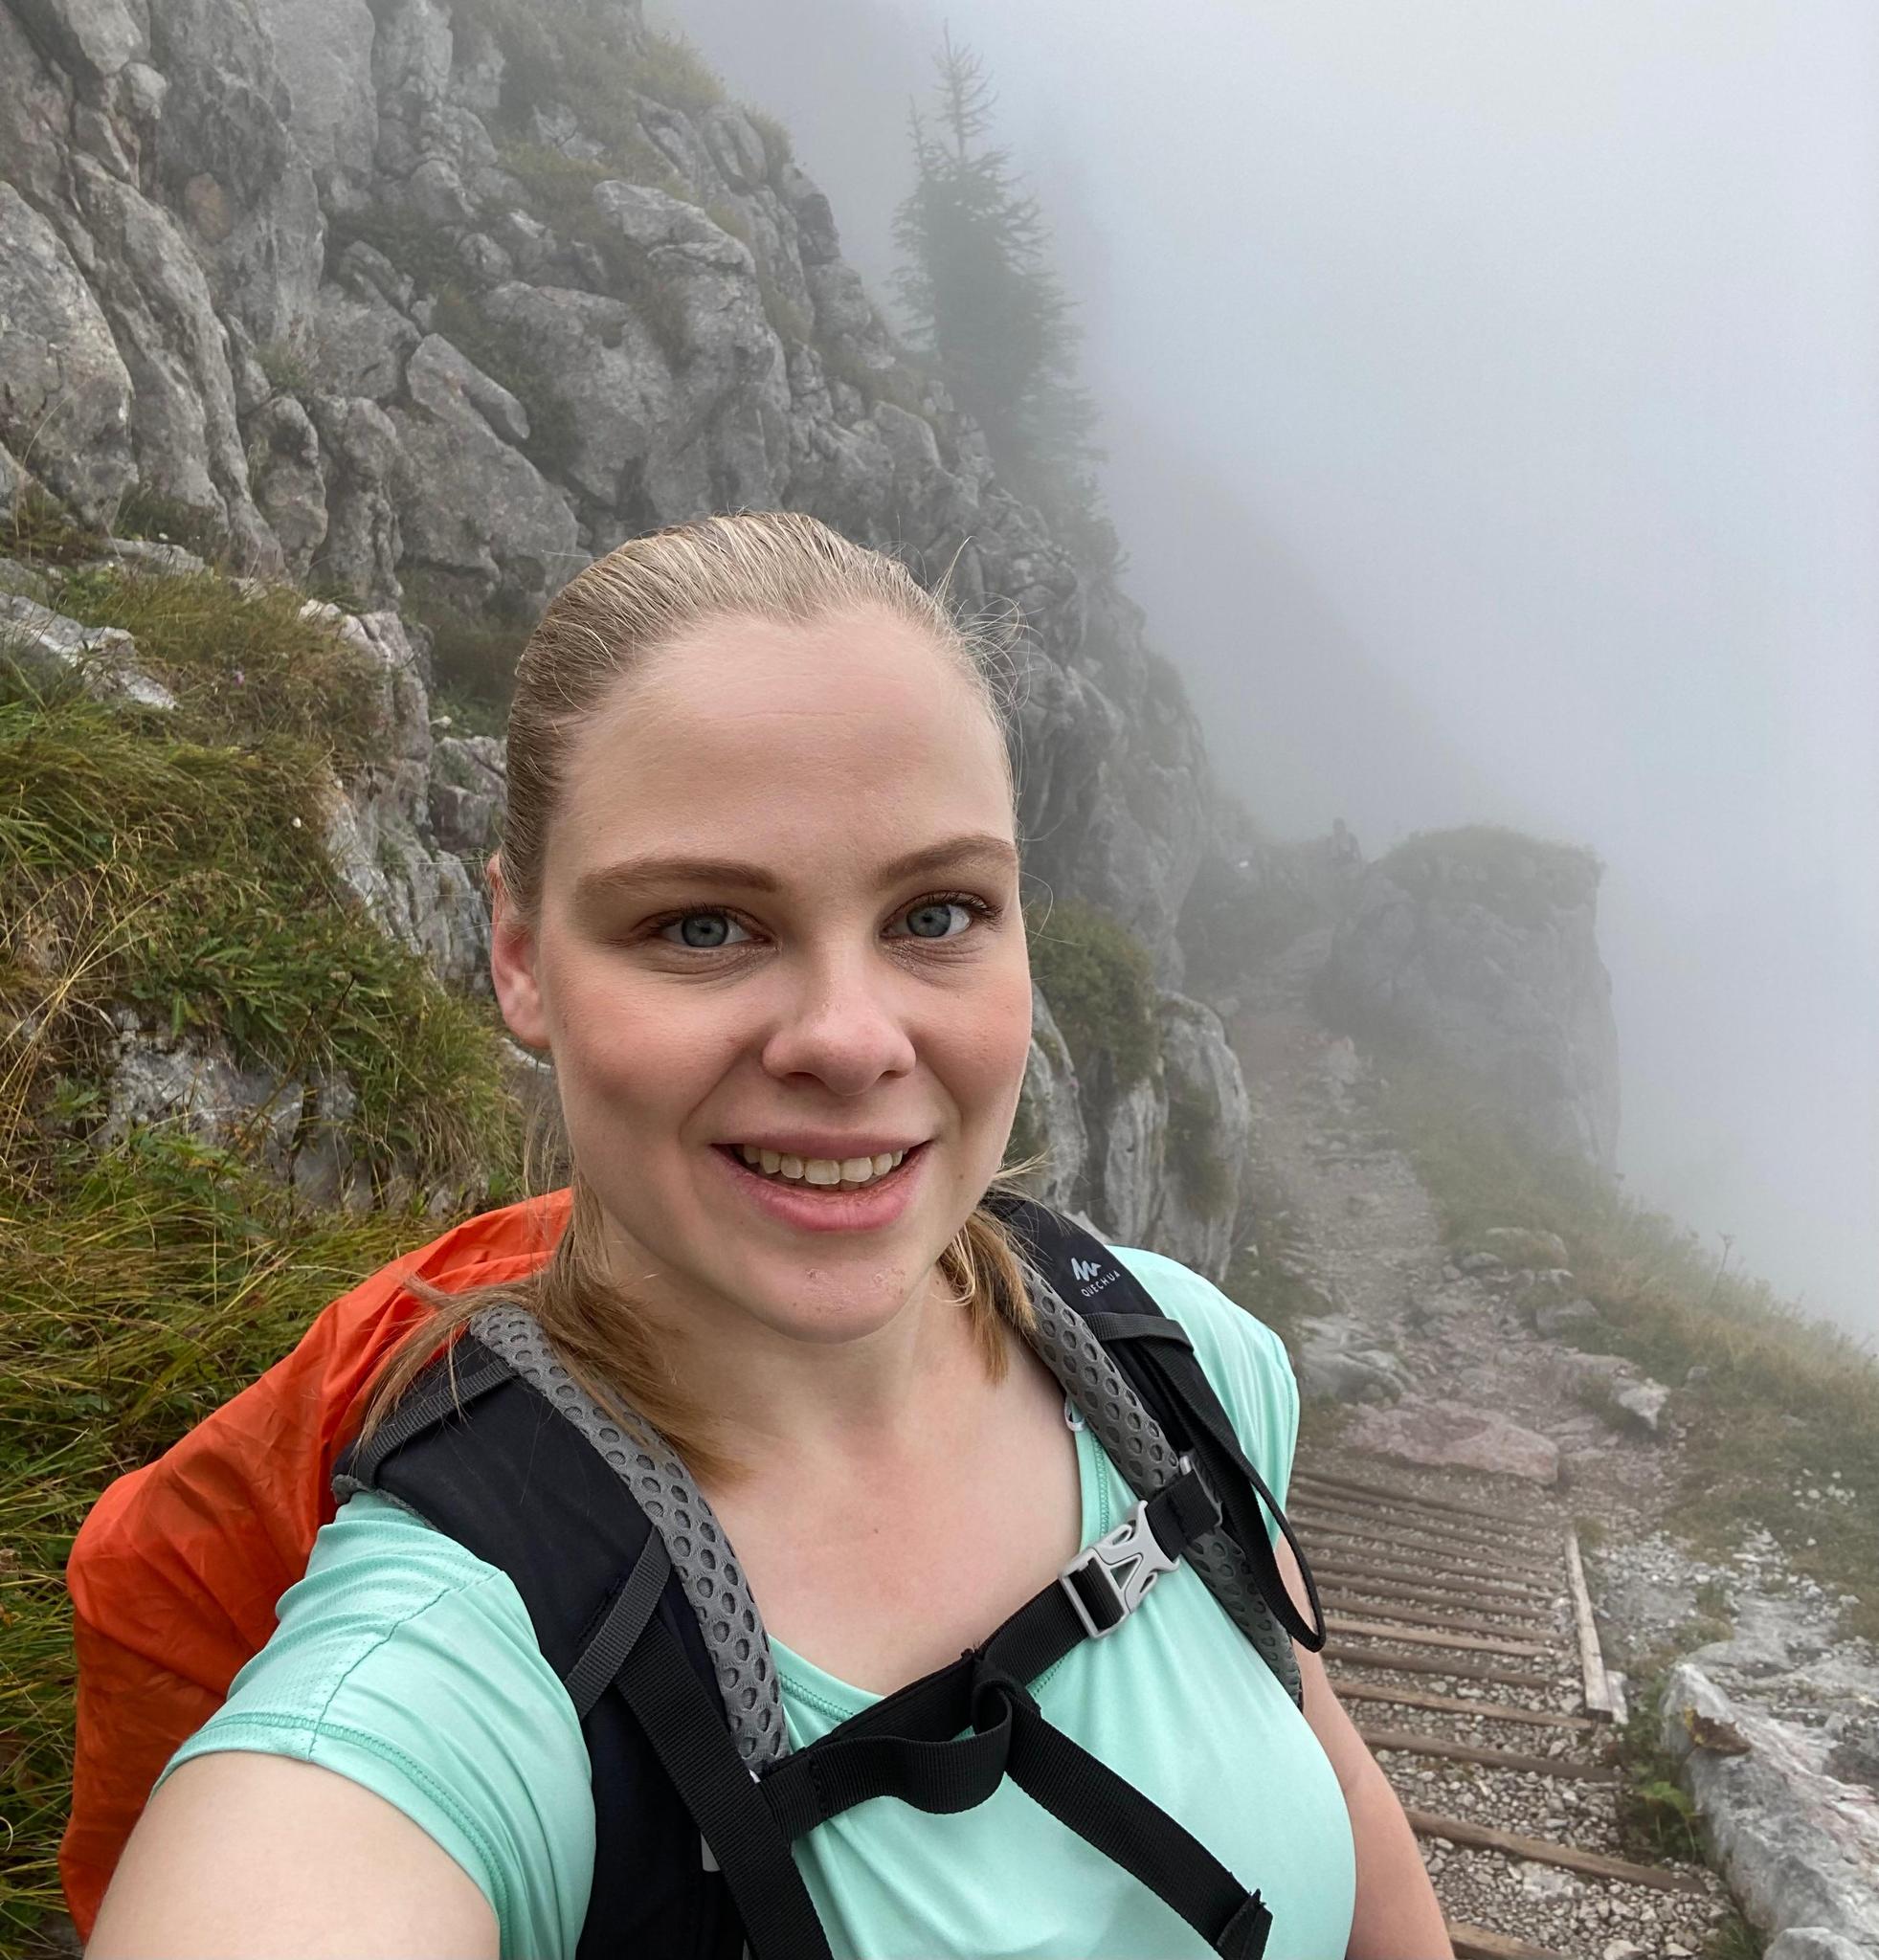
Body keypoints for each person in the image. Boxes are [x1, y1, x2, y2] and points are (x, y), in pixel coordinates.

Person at [85, 512, 1452, 1959]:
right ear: (519, 953)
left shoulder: (1172, 1360)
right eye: (702, 927)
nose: (851, 1040)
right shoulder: (450, 1654)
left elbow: (1339, 1822)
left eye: (939, 911)